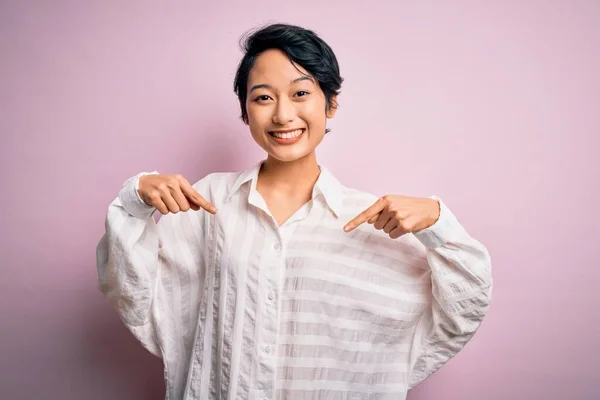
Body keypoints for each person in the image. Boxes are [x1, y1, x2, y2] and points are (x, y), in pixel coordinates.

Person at [96, 23, 492, 400]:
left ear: (331, 103)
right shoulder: (208, 201)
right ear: (245, 111)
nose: (283, 115)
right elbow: (138, 297)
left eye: (301, 94)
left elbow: (460, 310)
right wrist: (136, 197)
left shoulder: (374, 220)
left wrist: (438, 221)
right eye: (264, 97)